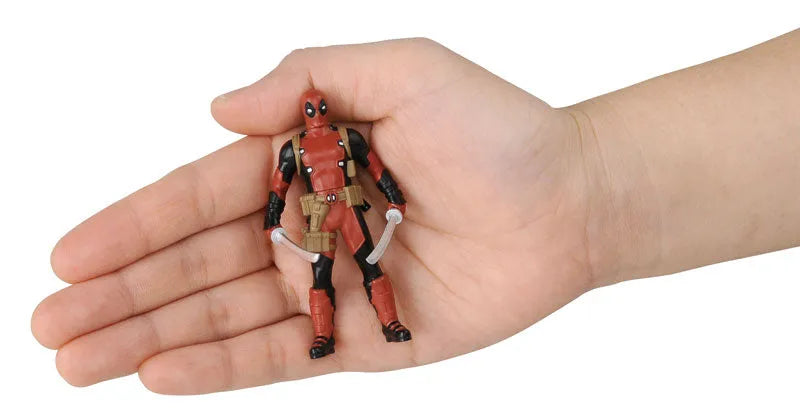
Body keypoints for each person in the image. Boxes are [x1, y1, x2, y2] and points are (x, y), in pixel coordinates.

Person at [31, 31, 800, 394]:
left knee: (371, 267)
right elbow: (277, 187)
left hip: (352, 205)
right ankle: (324, 335)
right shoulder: (294, 149)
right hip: (317, 213)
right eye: (309, 109)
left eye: (319, 106)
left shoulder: (349, 139)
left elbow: (379, 171)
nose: (315, 113)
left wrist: (397, 202)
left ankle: (390, 323)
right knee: (324, 278)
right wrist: (271, 221)